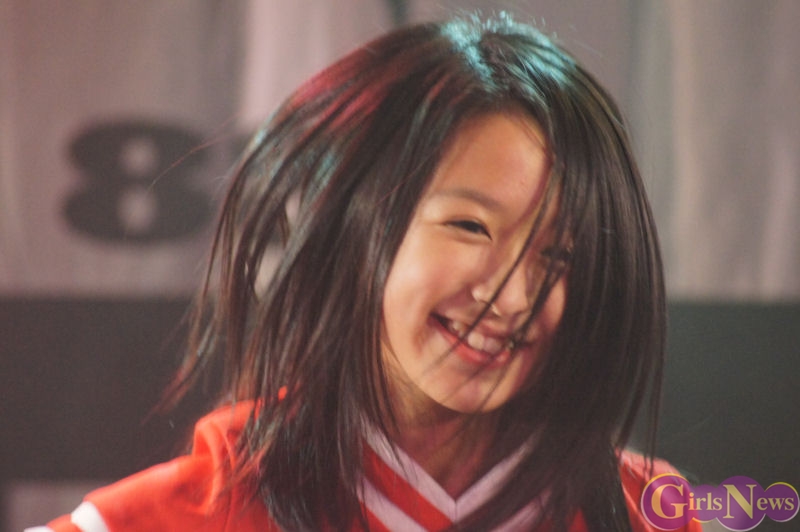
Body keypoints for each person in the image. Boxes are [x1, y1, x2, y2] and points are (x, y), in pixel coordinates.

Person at [34, 13, 701, 532]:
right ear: (356, 222)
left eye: (559, 256)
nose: (510, 297)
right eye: (470, 226)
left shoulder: (651, 515)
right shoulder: (165, 520)